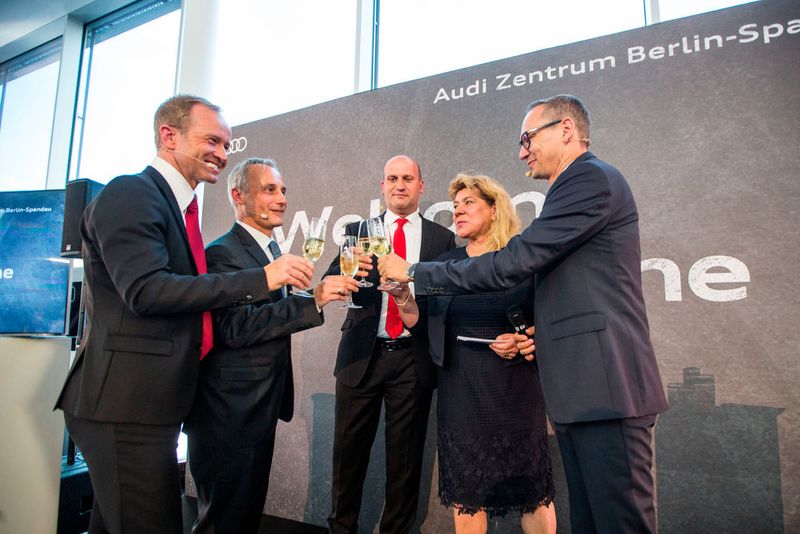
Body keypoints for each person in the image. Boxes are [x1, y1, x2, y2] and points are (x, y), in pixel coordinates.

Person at [379, 95, 668, 533]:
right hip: (582, 392)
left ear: (565, 129)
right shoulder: (573, 187)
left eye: (527, 138)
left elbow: (514, 262)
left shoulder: (588, 179)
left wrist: (415, 272)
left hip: (605, 388)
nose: (521, 152)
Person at [55, 95, 314, 534]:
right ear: (168, 135)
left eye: (226, 144)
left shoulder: (178, 208)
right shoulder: (132, 193)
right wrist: (263, 278)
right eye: (211, 140)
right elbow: (145, 291)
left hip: (150, 404)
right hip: (125, 404)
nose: (221, 152)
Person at [183, 158, 359, 534]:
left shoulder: (270, 251)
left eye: (282, 190)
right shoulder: (222, 253)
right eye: (269, 189)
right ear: (238, 196)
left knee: (243, 517)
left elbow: (270, 315)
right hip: (228, 413)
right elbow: (235, 328)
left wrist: (318, 293)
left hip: (256, 409)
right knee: (223, 521)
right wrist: (314, 300)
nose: (281, 199)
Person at [387, 173, 556, 534]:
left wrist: (524, 337)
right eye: (455, 206)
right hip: (461, 390)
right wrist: (403, 298)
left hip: (516, 389)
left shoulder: (520, 259)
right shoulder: (445, 262)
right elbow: (422, 324)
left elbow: (548, 316)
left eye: (469, 203)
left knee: (533, 491)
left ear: (495, 209)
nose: (458, 211)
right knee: (467, 491)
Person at [326, 155, 456, 533]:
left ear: (420, 186)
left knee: (405, 463)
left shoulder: (440, 238)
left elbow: (442, 302)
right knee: (347, 458)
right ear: (382, 186)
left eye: (407, 178)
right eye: (392, 178)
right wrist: (350, 271)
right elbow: (333, 281)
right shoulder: (358, 230)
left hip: (412, 360)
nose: (400, 185)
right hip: (360, 359)